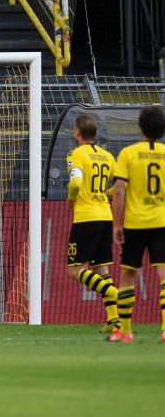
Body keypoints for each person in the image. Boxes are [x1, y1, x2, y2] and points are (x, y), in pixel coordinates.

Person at [109, 105, 165, 343]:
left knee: (127, 274)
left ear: (140, 127)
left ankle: (125, 330)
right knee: (164, 274)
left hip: (135, 222)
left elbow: (119, 192)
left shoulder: (128, 153)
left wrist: (117, 225)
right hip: (162, 221)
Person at [64, 114, 120, 333]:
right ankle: (114, 319)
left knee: (75, 270)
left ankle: (117, 294)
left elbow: (76, 183)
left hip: (86, 217)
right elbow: (123, 183)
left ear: (77, 132)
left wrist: (71, 199)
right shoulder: (107, 156)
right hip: (106, 216)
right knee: (102, 269)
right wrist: (107, 194)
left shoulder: (76, 154)